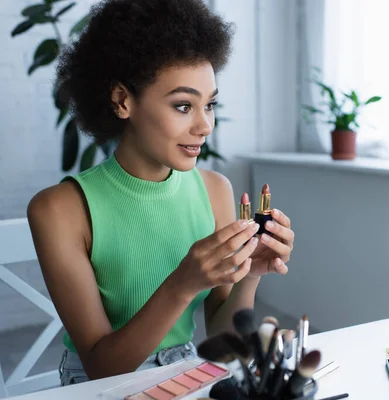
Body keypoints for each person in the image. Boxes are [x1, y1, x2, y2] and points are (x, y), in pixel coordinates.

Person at [26, 0, 294, 386]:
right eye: (183, 105)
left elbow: (221, 337)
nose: (205, 125)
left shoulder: (215, 190)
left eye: (210, 104)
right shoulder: (59, 209)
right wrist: (182, 283)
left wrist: (250, 275)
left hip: (184, 373)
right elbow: (103, 368)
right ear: (123, 101)